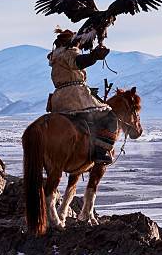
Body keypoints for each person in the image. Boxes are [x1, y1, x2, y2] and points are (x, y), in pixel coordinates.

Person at [47, 29, 118, 164]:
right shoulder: (69, 52)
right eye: (78, 40)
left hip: (58, 98)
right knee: (110, 116)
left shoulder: (55, 57)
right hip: (75, 97)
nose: (80, 42)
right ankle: (101, 152)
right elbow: (79, 62)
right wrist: (94, 56)